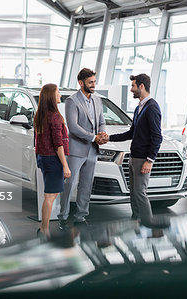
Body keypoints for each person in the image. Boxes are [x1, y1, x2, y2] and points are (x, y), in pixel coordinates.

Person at [106, 74, 170, 229]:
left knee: (140, 193)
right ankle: (136, 222)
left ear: (142, 86)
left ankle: (149, 224)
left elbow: (157, 137)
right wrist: (108, 138)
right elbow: (130, 133)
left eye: (133, 86)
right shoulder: (139, 108)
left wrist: (150, 160)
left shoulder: (152, 108)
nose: (131, 90)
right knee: (134, 194)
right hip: (134, 157)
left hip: (143, 159)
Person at [58, 68, 108, 230]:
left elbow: (101, 121)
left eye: (94, 81)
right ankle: (63, 217)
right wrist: (94, 137)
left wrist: (102, 133)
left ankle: (81, 216)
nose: (94, 85)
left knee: (86, 185)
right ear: (81, 83)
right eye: (90, 82)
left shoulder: (98, 100)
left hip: (92, 150)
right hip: (76, 150)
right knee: (69, 184)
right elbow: (73, 127)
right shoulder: (72, 101)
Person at [34, 83, 71, 238]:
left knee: (50, 195)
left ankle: (44, 228)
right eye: (57, 93)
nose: (60, 96)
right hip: (53, 159)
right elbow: (58, 144)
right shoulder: (54, 116)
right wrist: (65, 165)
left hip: (43, 157)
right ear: (51, 96)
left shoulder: (40, 115)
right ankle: (44, 230)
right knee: (50, 196)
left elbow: (36, 140)